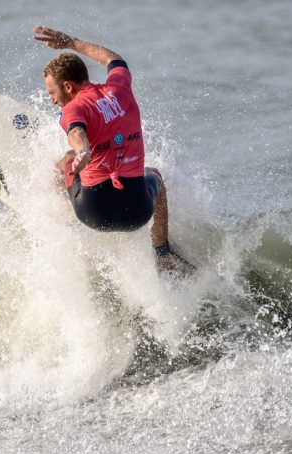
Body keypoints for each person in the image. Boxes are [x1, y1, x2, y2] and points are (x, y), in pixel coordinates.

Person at [33, 26, 192, 273]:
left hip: (93, 212)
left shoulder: (73, 109)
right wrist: (71, 42)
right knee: (155, 175)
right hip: (138, 211)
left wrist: (82, 152)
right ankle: (162, 253)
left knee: (65, 161)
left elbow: (76, 132)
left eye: (52, 93)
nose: (52, 100)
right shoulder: (120, 87)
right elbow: (113, 59)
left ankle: (60, 218)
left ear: (67, 87)